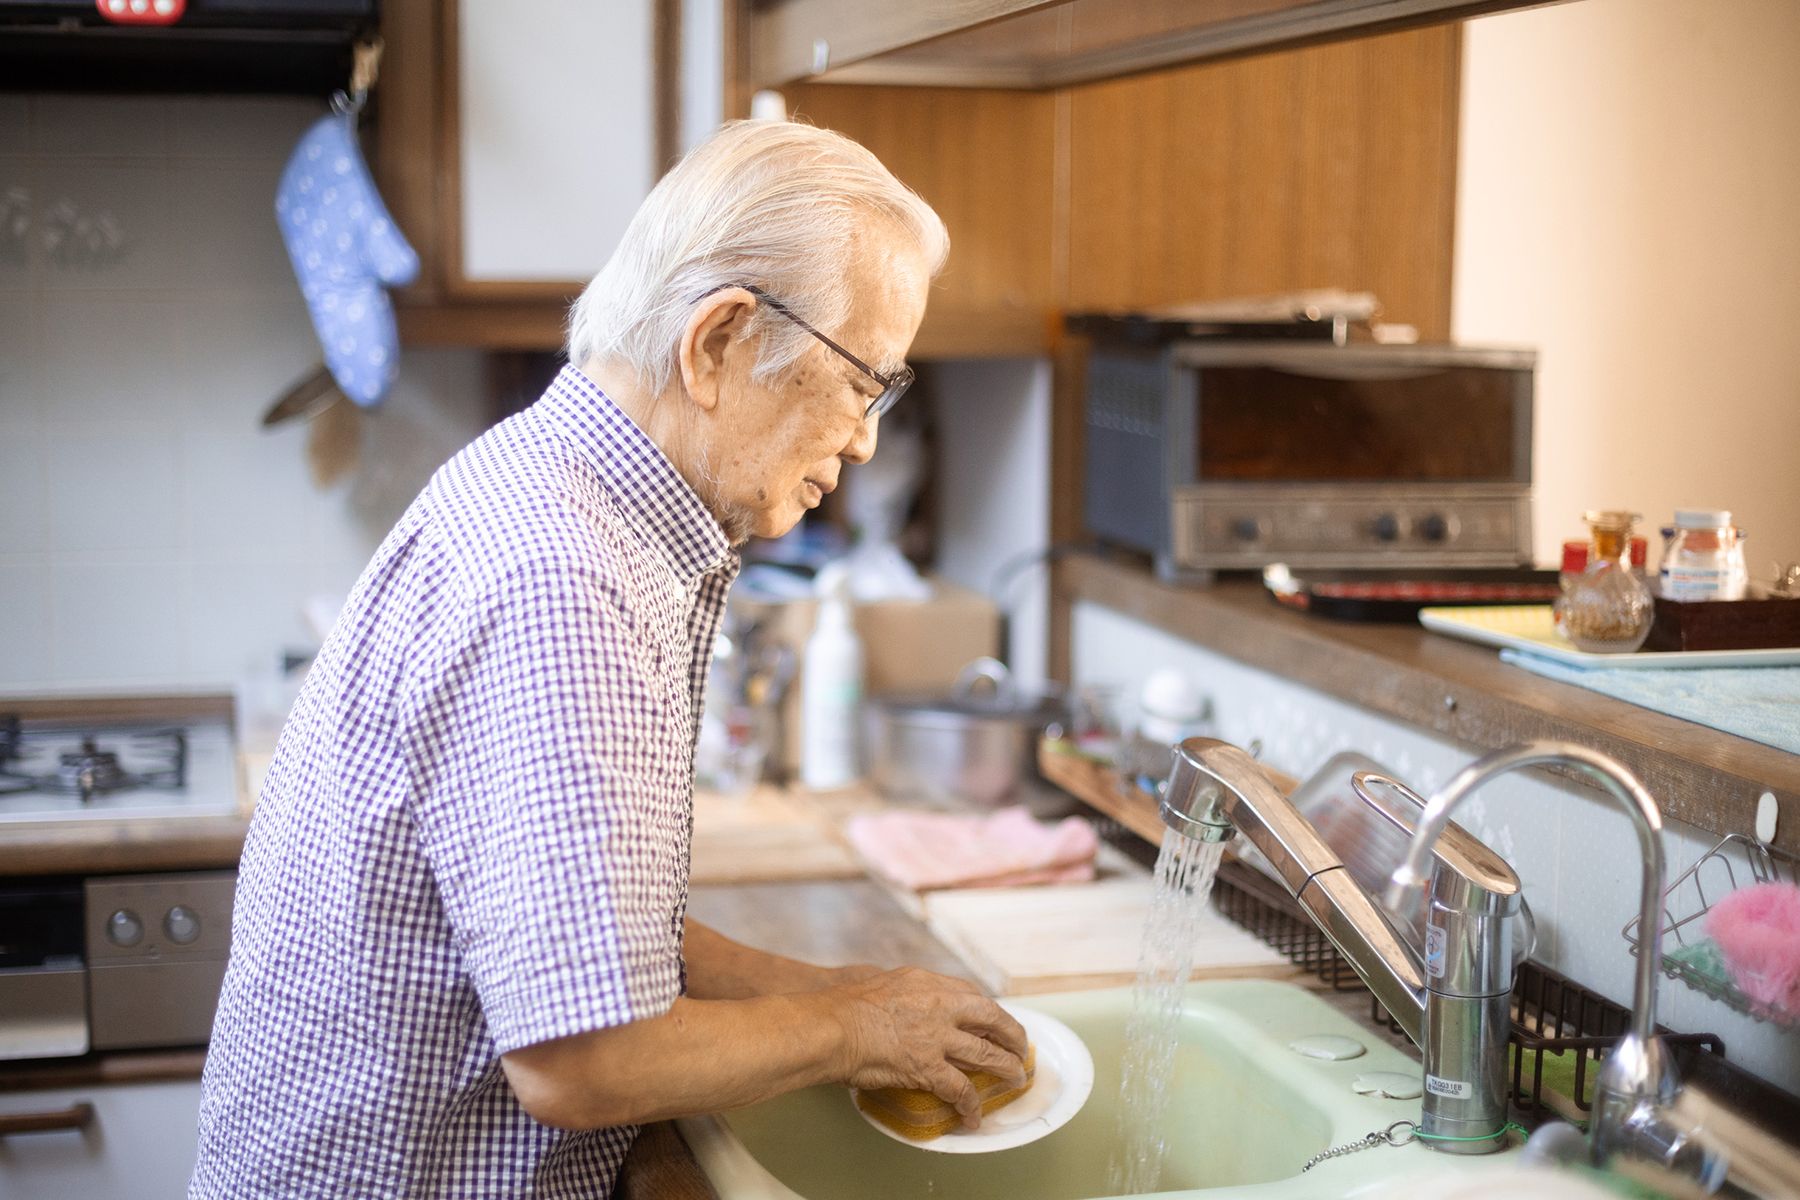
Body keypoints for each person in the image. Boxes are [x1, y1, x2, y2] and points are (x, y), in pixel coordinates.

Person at [190, 120, 1027, 1198]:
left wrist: (840, 992)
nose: (865, 439)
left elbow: (591, 938)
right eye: (863, 378)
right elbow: (580, 1059)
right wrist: (845, 1029)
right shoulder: (567, 580)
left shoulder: (569, 497)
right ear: (718, 342)